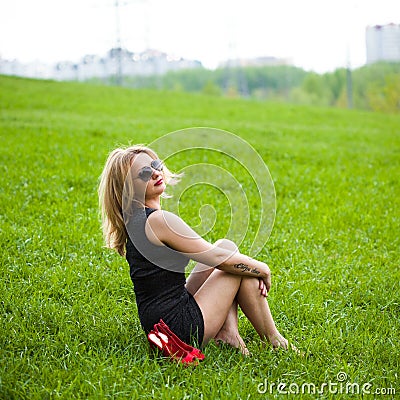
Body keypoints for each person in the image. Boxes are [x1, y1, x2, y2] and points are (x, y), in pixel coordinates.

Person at [98, 144, 294, 355]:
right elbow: (219, 260)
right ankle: (276, 341)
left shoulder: (137, 220)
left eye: (155, 165)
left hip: (158, 324)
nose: (155, 173)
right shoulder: (158, 221)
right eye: (144, 173)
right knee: (236, 267)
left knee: (226, 247)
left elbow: (219, 253)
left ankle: (228, 333)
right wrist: (263, 269)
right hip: (177, 331)